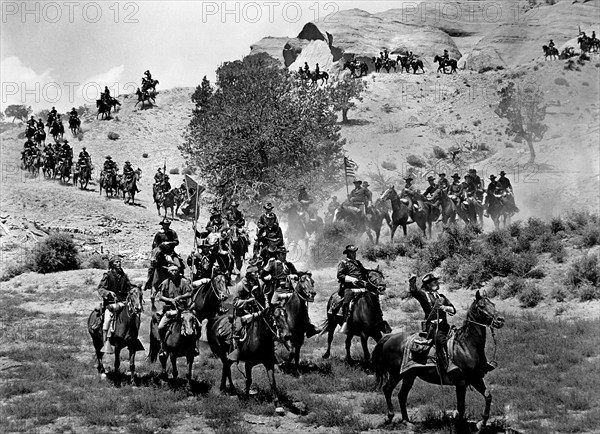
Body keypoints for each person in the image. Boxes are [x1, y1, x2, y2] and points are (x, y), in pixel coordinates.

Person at [408, 273, 457, 372]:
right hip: (433, 327)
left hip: (445, 326)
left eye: (436, 281)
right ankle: (445, 366)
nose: (437, 283)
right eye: (434, 281)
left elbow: (453, 310)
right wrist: (412, 281)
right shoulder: (423, 295)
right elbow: (414, 291)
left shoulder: (442, 297)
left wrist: (445, 307)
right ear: (428, 284)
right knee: (440, 340)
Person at [227, 262, 266, 361]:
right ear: (249, 275)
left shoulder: (259, 283)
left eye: (257, 272)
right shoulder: (240, 286)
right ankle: (236, 350)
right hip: (243, 313)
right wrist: (247, 302)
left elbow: (263, 297)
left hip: (257, 311)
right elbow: (235, 302)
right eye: (255, 273)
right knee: (238, 330)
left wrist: (266, 308)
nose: (257, 275)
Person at [97, 256, 133, 353]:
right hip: (111, 304)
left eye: (120, 262)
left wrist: (134, 289)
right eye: (117, 262)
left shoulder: (124, 276)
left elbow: (129, 287)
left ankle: (133, 339)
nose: (119, 263)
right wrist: (108, 293)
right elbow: (100, 289)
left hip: (123, 303)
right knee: (107, 320)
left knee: (133, 317)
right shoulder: (107, 275)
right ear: (112, 264)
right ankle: (106, 341)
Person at [155, 265, 194, 354]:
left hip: (184, 310)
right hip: (170, 310)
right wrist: (170, 300)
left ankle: (194, 346)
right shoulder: (165, 283)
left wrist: (181, 297)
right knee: (161, 326)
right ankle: (163, 346)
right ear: (169, 272)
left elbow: (190, 293)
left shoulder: (183, 282)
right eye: (172, 271)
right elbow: (160, 296)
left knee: (197, 325)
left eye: (176, 270)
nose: (174, 272)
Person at [336, 245, 370, 327]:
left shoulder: (358, 263)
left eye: (355, 252)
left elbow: (364, 272)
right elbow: (340, 275)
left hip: (361, 287)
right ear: (348, 253)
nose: (354, 254)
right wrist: (351, 279)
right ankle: (345, 322)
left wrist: (371, 273)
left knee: (373, 298)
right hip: (349, 287)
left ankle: (378, 319)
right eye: (352, 252)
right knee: (346, 302)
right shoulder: (343, 263)